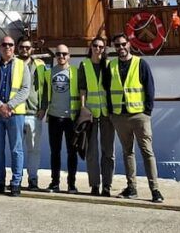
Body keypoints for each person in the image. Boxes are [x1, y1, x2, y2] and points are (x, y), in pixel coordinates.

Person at [107, 33, 163, 203]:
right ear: (114, 47)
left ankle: (155, 190)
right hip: (120, 116)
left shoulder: (140, 63)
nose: (121, 48)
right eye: (117, 45)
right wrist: (112, 113)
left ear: (129, 44)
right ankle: (132, 188)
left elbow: (149, 88)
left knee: (147, 152)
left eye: (123, 44)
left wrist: (147, 111)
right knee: (127, 152)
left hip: (139, 115)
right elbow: (108, 90)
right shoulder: (111, 66)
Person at [0, 36, 29, 195]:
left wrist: (9, 106)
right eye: (4, 44)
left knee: (16, 149)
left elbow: (25, 90)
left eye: (10, 44)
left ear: (14, 47)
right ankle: (0, 182)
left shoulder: (22, 66)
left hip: (15, 113)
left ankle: (16, 183)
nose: (7, 47)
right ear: (0, 47)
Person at [80, 36, 115, 196]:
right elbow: (82, 89)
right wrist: (83, 108)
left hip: (107, 113)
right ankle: (94, 185)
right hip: (91, 114)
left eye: (101, 46)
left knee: (108, 151)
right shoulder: (85, 65)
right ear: (91, 47)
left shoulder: (109, 65)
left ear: (104, 48)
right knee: (92, 151)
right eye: (95, 46)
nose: (98, 49)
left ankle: (107, 185)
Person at [43, 44, 80, 193]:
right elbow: (45, 94)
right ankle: (55, 183)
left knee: (72, 152)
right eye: (58, 54)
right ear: (55, 56)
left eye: (64, 54)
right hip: (54, 117)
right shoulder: (49, 73)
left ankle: (71, 184)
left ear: (69, 56)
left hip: (71, 117)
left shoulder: (76, 72)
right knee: (55, 152)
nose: (61, 57)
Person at [16, 37, 46, 190]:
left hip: (35, 112)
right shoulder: (13, 65)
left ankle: (33, 179)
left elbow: (45, 87)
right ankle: (17, 180)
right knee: (17, 149)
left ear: (32, 49)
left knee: (34, 149)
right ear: (17, 48)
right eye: (22, 47)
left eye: (27, 47)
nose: (25, 50)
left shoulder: (40, 65)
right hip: (17, 113)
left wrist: (44, 107)